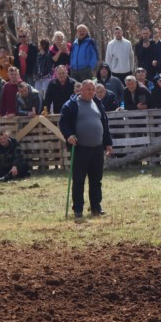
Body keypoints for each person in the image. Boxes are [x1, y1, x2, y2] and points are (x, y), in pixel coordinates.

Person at [59, 81, 114, 219]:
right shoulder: (70, 105)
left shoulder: (97, 103)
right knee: (78, 180)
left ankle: (96, 207)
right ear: (81, 90)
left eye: (93, 89)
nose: (91, 92)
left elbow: (104, 123)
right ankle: (78, 209)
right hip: (80, 148)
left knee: (96, 180)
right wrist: (69, 135)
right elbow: (63, 123)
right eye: (88, 89)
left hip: (97, 148)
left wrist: (108, 142)